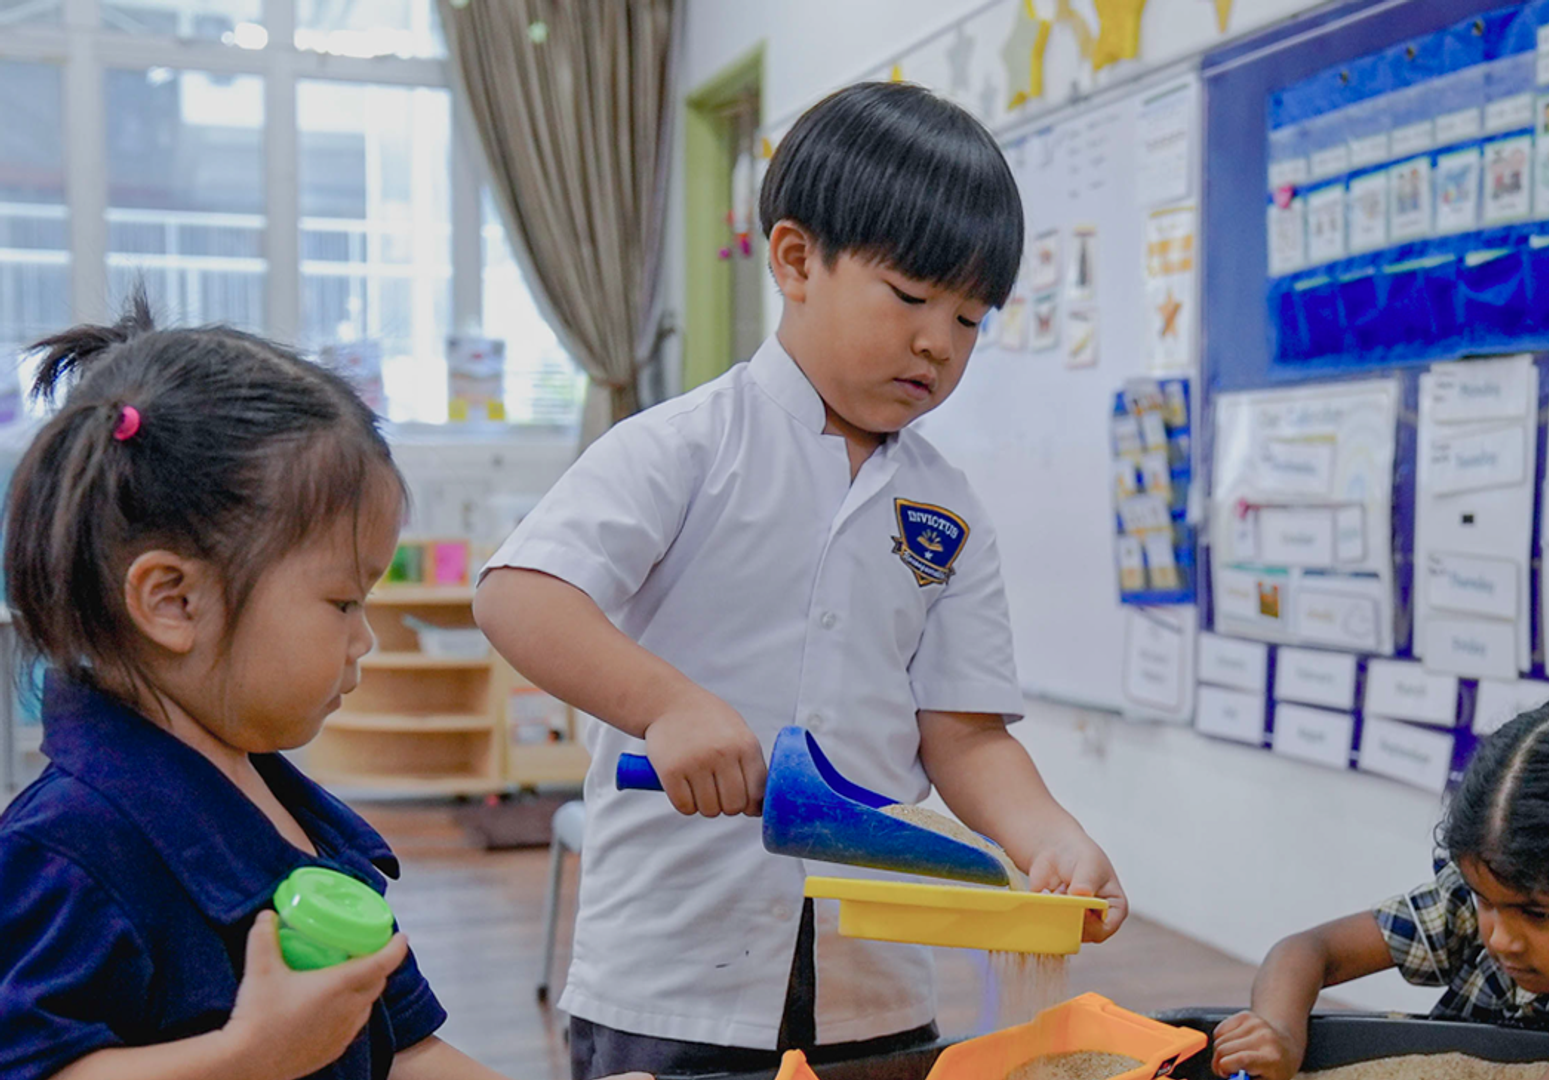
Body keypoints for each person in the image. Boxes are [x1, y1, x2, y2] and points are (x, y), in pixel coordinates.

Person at [472, 81, 1126, 1079]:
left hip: (874, 981)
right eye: (910, 298)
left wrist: (1050, 836)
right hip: (673, 970)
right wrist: (668, 706)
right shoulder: (684, 446)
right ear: (794, 261)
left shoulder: (948, 511)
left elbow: (963, 732)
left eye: (969, 318)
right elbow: (520, 592)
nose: (938, 343)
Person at [0, 302, 644, 1080]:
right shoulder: (65, 851)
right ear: (174, 601)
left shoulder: (291, 813)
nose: (363, 638)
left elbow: (406, 1054)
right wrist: (248, 1058)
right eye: (344, 602)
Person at [1211, 700, 1549, 1080]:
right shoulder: (1491, 891)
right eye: (1485, 903)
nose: (1500, 937)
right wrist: (1280, 1033)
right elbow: (1308, 950)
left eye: (1538, 915)